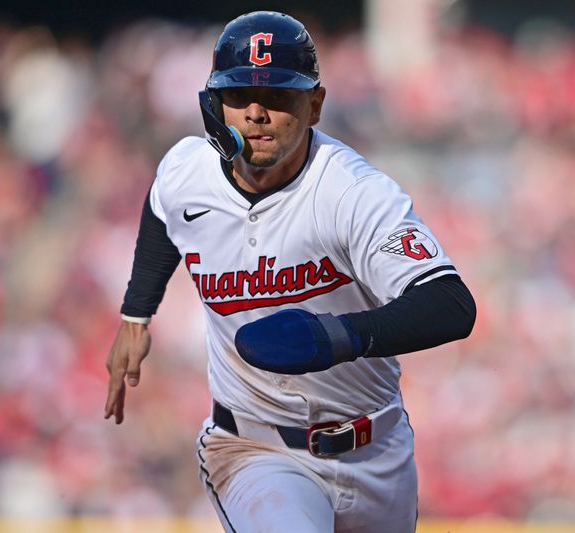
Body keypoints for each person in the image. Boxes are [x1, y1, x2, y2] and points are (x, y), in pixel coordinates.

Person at [104, 10, 475, 533]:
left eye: (279, 96)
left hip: (379, 450)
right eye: (239, 96)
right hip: (256, 446)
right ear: (215, 105)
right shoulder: (187, 171)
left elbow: (451, 304)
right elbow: (162, 211)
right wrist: (135, 314)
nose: (256, 112)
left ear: (315, 104)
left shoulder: (351, 191)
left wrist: (340, 336)